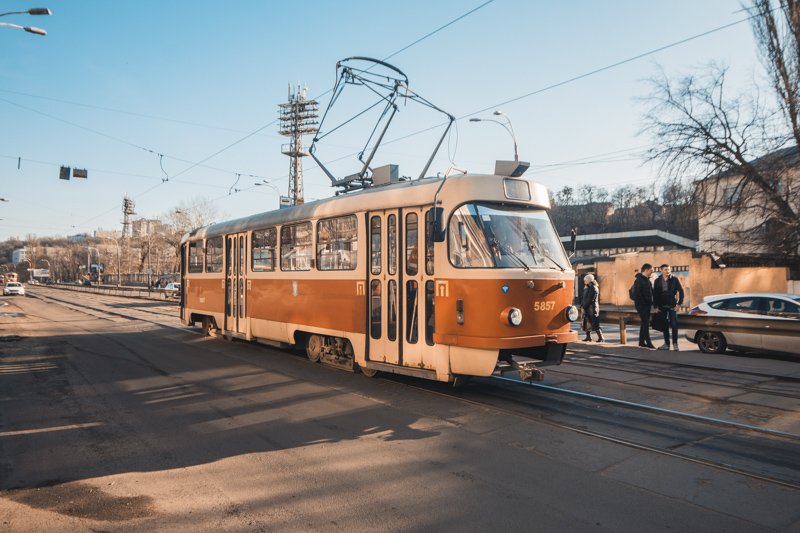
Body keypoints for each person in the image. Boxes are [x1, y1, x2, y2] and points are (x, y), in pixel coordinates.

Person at [653, 264, 685, 351]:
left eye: (669, 269)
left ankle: (675, 344)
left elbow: (681, 291)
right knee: (665, 325)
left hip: (672, 305)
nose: (668, 271)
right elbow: (655, 295)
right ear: (661, 270)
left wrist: (679, 304)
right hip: (661, 306)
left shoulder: (674, 279)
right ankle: (666, 344)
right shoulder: (657, 281)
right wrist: (655, 306)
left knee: (674, 325)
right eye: (666, 269)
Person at [631, 263, 656, 349]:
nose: (652, 272)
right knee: (645, 323)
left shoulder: (647, 280)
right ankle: (648, 342)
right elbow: (638, 295)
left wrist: (652, 303)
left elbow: (651, 293)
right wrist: (644, 303)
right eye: (651, 270)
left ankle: (641, 342)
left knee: (644, 323)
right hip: (641, 305)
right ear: (646, 270)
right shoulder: (639, 280)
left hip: (647, 305)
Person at [580, 274, 604, 342]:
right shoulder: (587, 287)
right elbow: (584, 298)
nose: (584, 281)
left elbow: (590, 299)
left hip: (592, 308)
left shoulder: (593, 288)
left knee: (594, 323)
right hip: (588, 307)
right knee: (587, 322)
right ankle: (588, 337)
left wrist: (584, 306)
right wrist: (582, 305)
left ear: (588, 281)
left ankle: (601, 337)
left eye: (585, 280)